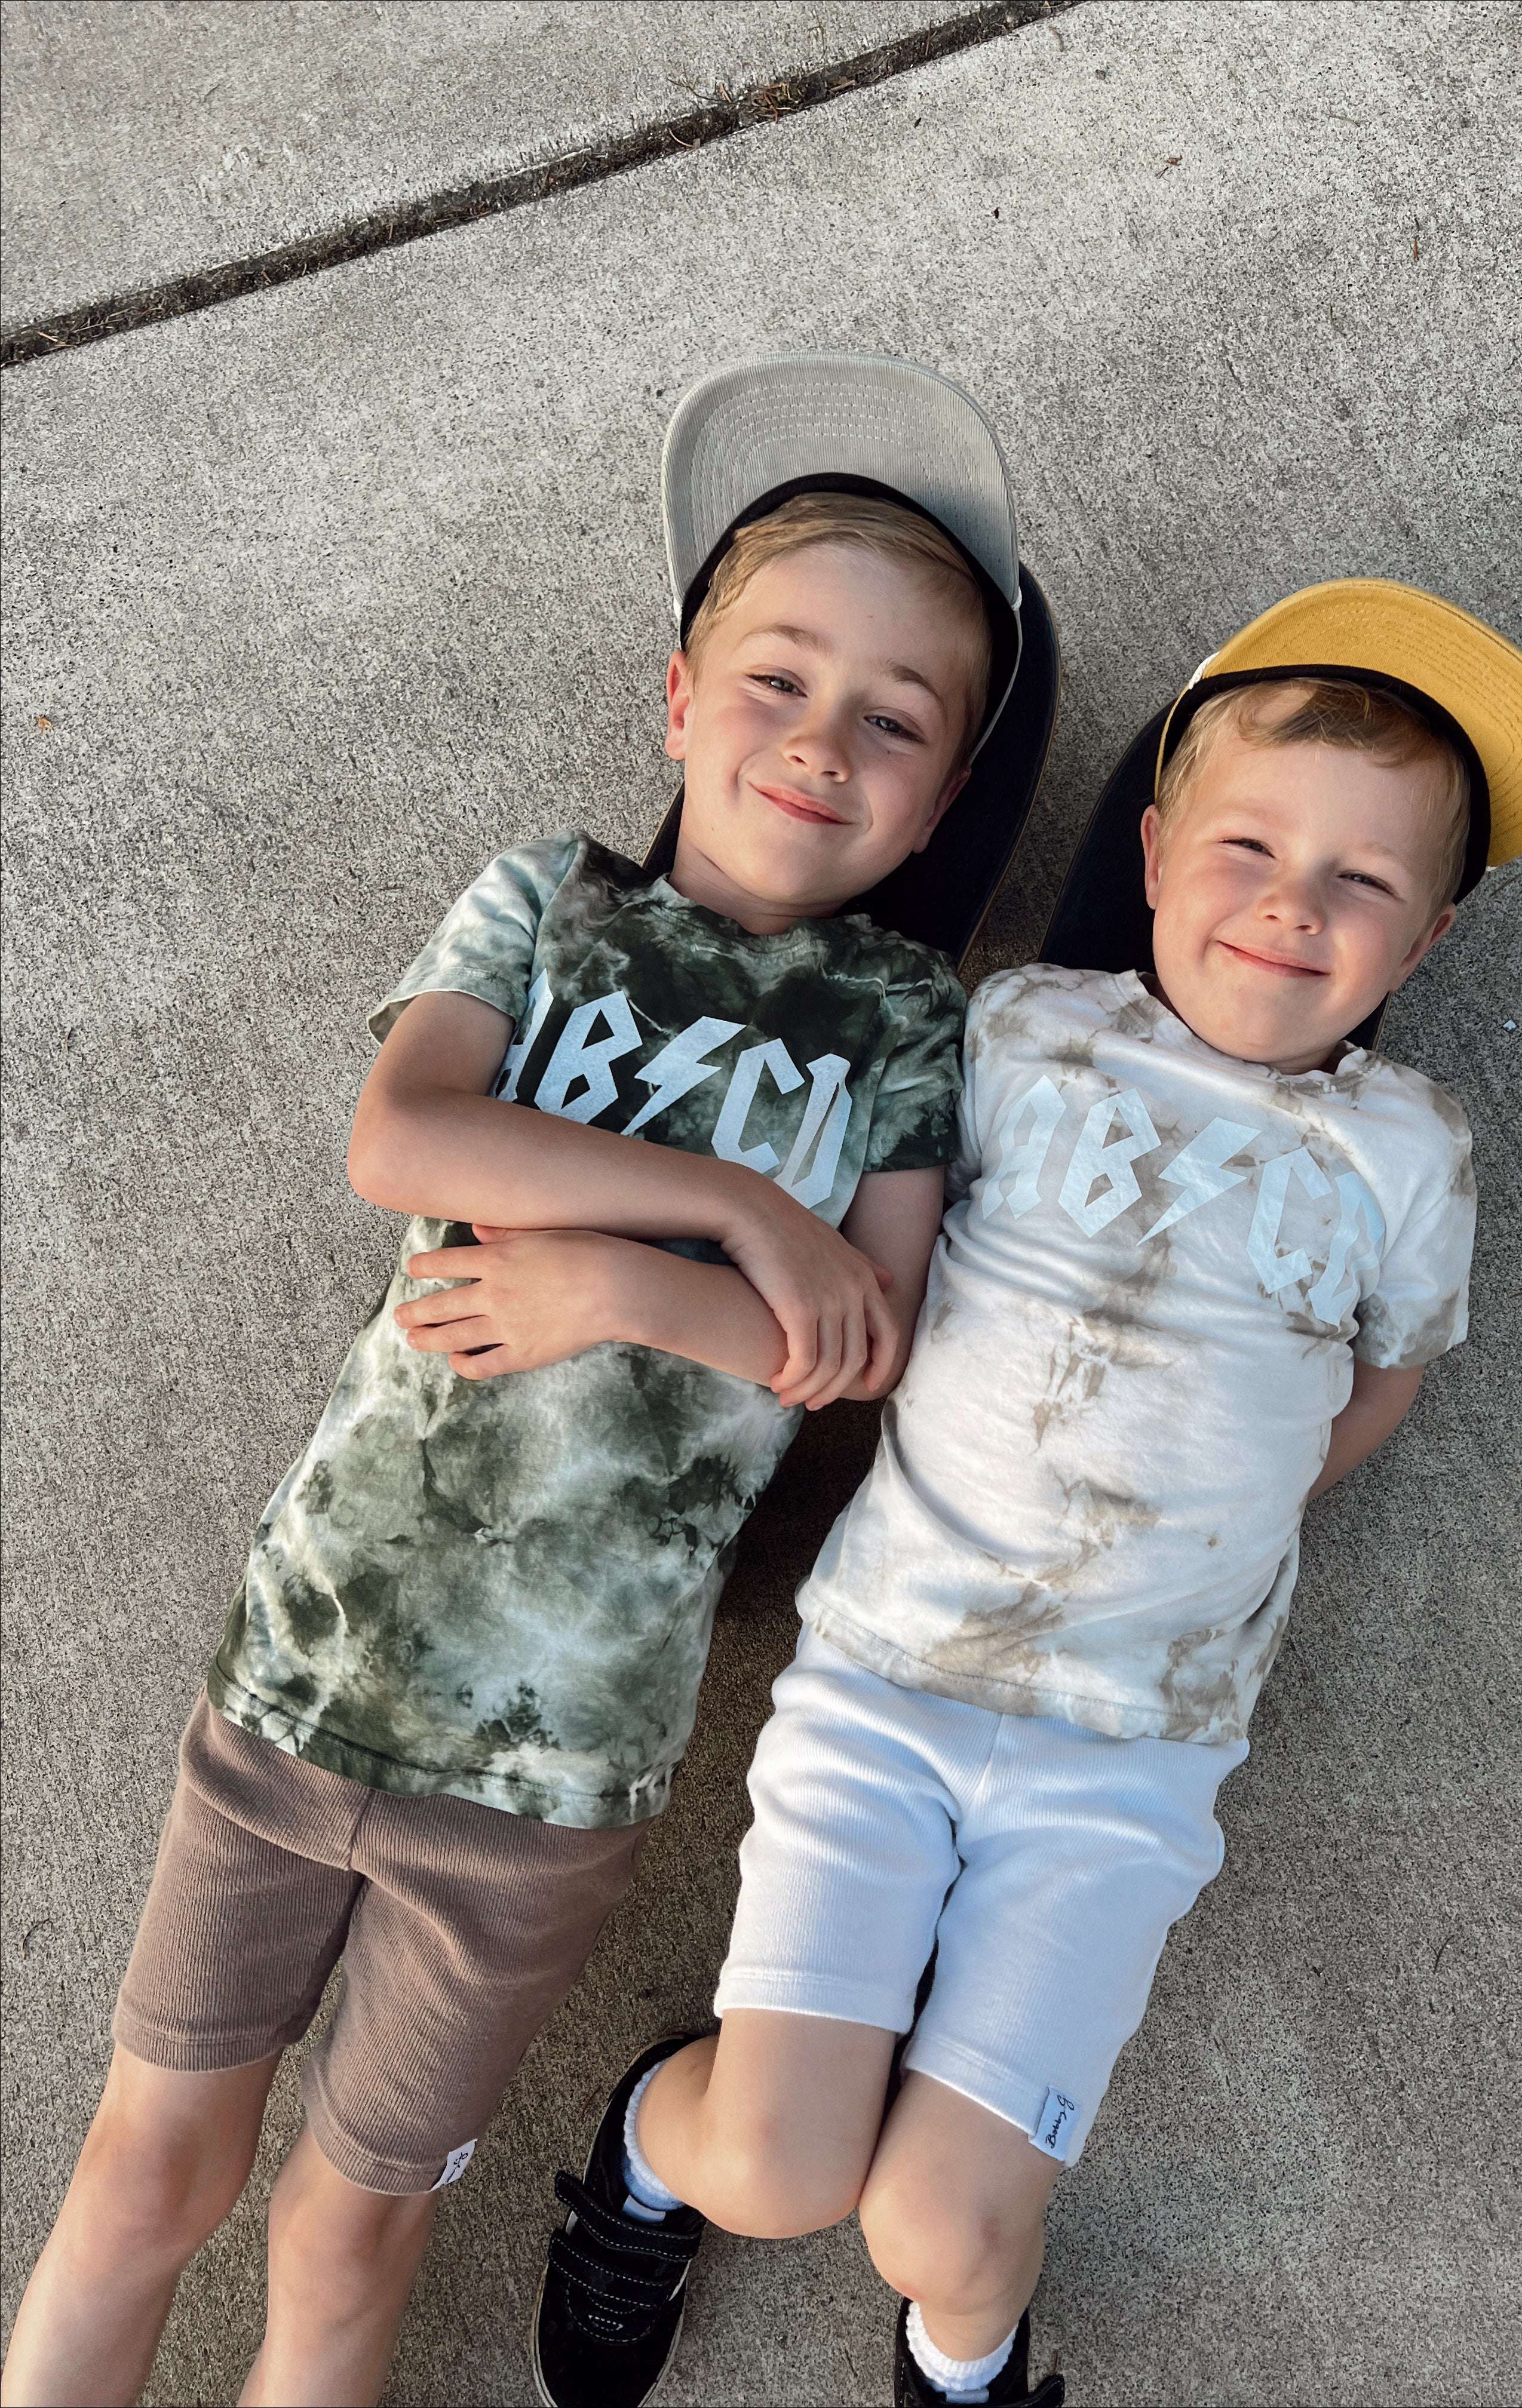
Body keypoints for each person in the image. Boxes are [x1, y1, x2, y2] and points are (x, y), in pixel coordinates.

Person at [0, 353, 1024, 2408]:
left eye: (893, 722)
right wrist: (722, 1216)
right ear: (675, 700)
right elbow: (408, 1138)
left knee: (343, 2233)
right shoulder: (551, 898)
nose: (822, 742)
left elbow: (864, 1346)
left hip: (550, 1784)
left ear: (943, 790)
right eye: (777, 679)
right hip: (307, 1670)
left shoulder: (912, 1019)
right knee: (147, 2172)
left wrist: (625, 1294)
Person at [532, 582, 1522, 2408]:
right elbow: (885, 1270)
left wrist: (1251, 1500)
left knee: (939, 2230)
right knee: (783, 2168)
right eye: (1253, 846)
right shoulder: (1022, 1033)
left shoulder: (1409, 1155)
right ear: (1162, 850)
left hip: (1134, 1748)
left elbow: (1391, 1371)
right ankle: (654, 2136)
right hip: (890, 1676)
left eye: (1360, 885)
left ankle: (972, 2367)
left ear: (1421, 940)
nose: (1289, 905)